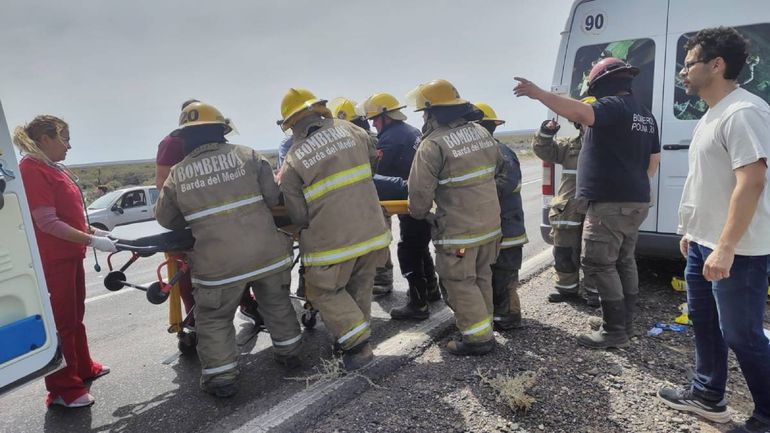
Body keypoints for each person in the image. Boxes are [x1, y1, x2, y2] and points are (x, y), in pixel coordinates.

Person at [656, 27, 770, 432]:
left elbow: (751, 181)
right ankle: (708, 396)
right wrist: (689, 230)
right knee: (704, 324)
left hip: (738, 249)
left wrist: (725, 247)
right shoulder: (712, 113)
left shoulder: (744, 112)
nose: (683, 73)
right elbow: (704, 180)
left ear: (717, 65)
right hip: (704, 242)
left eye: (689, 64)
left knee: (742, 334)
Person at [155, 102, 302, 398]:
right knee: (276, 302)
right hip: (266, 254)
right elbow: (273, 196)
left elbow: (166, 219)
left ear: (184, 138)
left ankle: (221, 378)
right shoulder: (248, 155)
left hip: (218, 265)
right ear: (222, 130)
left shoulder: (177, 174)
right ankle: (290, 353)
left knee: (215, 318)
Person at [514, 57, 660, 350]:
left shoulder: (614, 107)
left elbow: (582, 112)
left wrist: (540, 93)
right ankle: (624, 324)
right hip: (635, 201)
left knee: (598, 262)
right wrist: (630, 182)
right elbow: (653, 162)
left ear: (601, 84)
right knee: (623, 260)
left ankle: (614, 331)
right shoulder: (645, 115)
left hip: (610, 205)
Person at [278, 88, 390, 370]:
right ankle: (350, 340)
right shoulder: (354, 131)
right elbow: (371, 164)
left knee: (322, 291)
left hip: (332, 240)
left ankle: (358, 346)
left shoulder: (294, 157)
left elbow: (298, 213)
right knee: (359, 287)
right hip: (372, 231)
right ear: (321, 110)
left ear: (292, 124)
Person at [13, 115, 116, 408]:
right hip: (53, 260)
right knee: (62, 323)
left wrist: (94, 231)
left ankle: (82, 368)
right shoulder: (32, 170)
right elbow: (46, 222)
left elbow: (67, 215)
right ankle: (62, 389)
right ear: (46, 139)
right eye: (65, 138)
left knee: (74, 317)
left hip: (69, 255)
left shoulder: (49, 168)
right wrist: (92, 240)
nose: (69, 146)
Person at [406, 79, 502, 356]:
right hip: (490, 226)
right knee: (481, 277)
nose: (423, 118)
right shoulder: (482, 133)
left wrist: (420, 215)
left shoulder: (432, 145)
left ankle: (477, 340)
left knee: (460, 281)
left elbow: (419, 194)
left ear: (433, 112)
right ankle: (483, 328)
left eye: (424, 113)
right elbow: (498, 167)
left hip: (459, 232)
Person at [155, 99, 262, 326]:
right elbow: (163, 184)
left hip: (220, 216)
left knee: (235, 261)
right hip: (192, 220)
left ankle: (246, 303)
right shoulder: (172, 143)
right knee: (189, 272)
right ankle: (193, 318)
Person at [361, 93, 439, 319]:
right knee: (420, 245)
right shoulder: (410, 130)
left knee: (408, 250)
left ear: (386, 116)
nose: (374, 124)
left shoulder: (390, 139)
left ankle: (418, 304)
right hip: (421, 196)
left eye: (375, 119)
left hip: (411, 198)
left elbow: (379, 175)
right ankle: (431, 290)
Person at [532, 99, 599, 307]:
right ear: (578, 122)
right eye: (583, 120)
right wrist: (546, 132)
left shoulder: (609, 146)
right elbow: (544, 150)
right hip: (568, 211)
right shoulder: (569, 146)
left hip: (595, 210)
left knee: (595, 253)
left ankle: (595, 292)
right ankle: (566, 289)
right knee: (564, 251)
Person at [474, 102, 527, 330]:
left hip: (507, 230)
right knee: (494, 276)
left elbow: (505, 185)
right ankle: (498, 316)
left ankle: (508, 319)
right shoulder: (487, 152)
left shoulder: (500, 152)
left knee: (504, 277)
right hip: (497, 229)